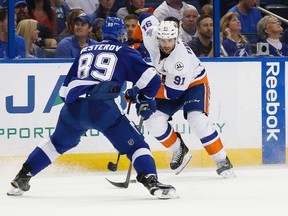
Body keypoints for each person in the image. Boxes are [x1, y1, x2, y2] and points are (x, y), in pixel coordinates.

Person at [7, 16, 176, 200]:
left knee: (56, 143)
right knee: (137, 146)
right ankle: (151, 180)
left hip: (73, 107)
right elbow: (152, 79)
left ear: (102, 33)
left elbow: (64, 91)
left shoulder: (86, 50)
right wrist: (145, 98)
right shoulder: (125, 51)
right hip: (102, 108)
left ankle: (22, 176)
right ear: (121, 35)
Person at [130, 12, 236, 178]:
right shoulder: (152, 35)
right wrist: (137, 41)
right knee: (152, 120)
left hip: (194, 84)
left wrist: (143, 92)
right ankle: (179, 149)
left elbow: (172, 93)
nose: (166, 44)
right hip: (166, 83)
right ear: (157, 37)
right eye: (163, 40)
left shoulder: (180, 60)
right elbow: (144, 17)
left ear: (176, 38)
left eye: (170, 40)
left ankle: (222, 161)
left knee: (196, 120)